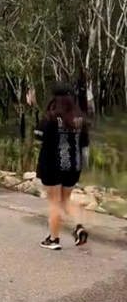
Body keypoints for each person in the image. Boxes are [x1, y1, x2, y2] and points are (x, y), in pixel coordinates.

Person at [32, 84, 90, 250]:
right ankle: (79, 226)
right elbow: (85, 143)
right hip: (73, 166)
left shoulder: (50, 118)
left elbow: (38, 138)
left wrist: (36, 109)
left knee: (54, 203)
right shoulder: (80, 119)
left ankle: (54, 239)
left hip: (52, 165)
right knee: (65, 200)